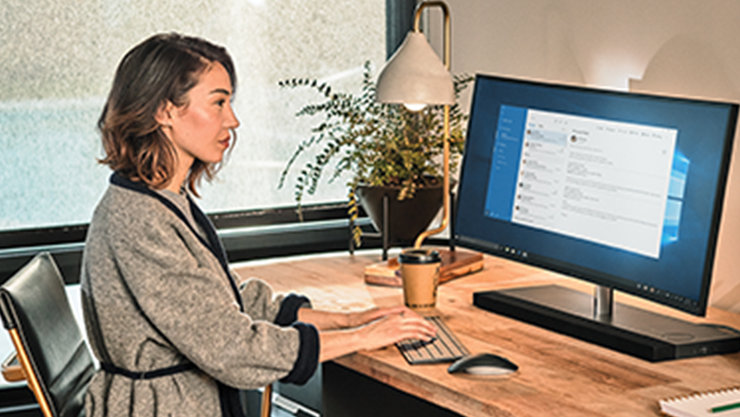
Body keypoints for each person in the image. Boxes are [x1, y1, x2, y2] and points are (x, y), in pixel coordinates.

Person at [80, 32, 436, 417]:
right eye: (218, 102)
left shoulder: (161, 200)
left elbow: (224, 303)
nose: (232, 120)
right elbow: (232, 348)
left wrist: (349, 321)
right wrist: (362, 337)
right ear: (165, 111)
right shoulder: (140, 221)